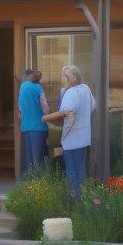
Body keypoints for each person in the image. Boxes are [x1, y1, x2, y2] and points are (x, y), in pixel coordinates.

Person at [42, 65, 96, 196]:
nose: (63, 78)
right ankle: (84, 197)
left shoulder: (71, 92)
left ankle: (74, 198)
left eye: (66, 76)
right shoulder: (85, 89)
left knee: (71, 170)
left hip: (72, 138)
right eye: (63, 75)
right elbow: (93, 107)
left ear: (75, 78)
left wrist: (45, 118)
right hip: (83, 137)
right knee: (81, 168)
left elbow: (65, 113)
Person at [17, 69, 49, 176]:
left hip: (26, 127)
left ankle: (30, 183)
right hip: (39, 127)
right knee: (38, 158)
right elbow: (45, 108)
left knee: (29, 159)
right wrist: (46, 117)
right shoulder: (38, 88)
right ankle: (39, 182)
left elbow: (20, 108)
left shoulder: (22, 87)